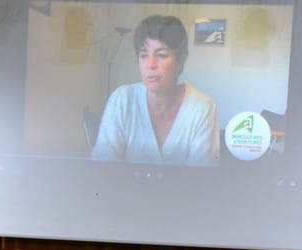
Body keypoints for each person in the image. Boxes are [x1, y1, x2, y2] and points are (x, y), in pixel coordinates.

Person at [92, 14, 220, 166]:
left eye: (161, 55)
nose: (150, 64)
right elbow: (102, 169)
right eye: (144, 55)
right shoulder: (122, 100)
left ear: (181, 60)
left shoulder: (201, 107)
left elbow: (201, 179)